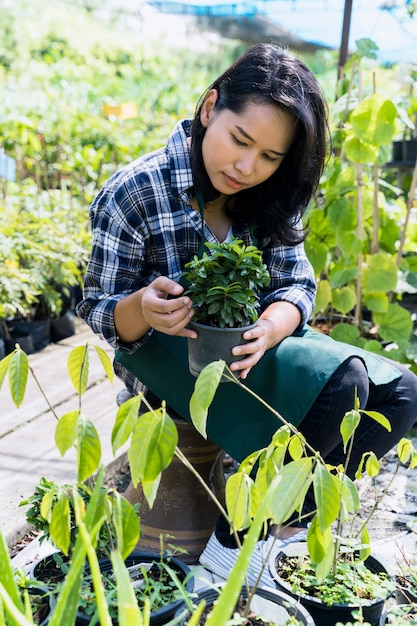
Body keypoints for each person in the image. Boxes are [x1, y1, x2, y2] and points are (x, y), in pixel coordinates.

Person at [76, 43, 417, 587]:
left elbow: (296, 284)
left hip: (254, 352)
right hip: (171, 365)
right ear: (210, 108)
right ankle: (237, 546)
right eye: (240, 141)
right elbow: (97, 310)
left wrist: (274, 325)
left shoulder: (267, 195)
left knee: (402, 392)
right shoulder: (135, 192)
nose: (246, 167)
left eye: (269, 157)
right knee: (346, 381)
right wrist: (143, 307)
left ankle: (265, 533)